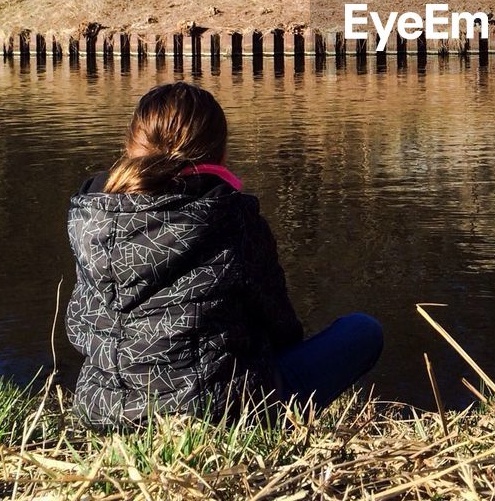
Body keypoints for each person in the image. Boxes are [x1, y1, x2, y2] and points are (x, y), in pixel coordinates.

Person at [66, 81, 383, 429]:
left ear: (129, 145)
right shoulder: (232, 218)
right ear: (219, 154)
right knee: (363, 331)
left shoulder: (90, 217)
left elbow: (81, 321)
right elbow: (282, 327)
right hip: (215, 412)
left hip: (100, 409)